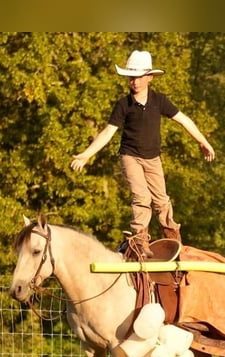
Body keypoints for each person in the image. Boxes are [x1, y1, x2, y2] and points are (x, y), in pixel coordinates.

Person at [70, 50, 215, 257]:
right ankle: (139, 239)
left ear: (149, 77)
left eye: (138, 77)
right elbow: (108, 133)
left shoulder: (159, 101)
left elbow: (184, 120)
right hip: (130, 156)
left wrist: (203, 141)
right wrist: (86, 154)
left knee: (162, 200)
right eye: (131, 77)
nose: (134, 82)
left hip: (153, 158)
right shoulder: (123, 105)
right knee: (142, 197)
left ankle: (172, 235)